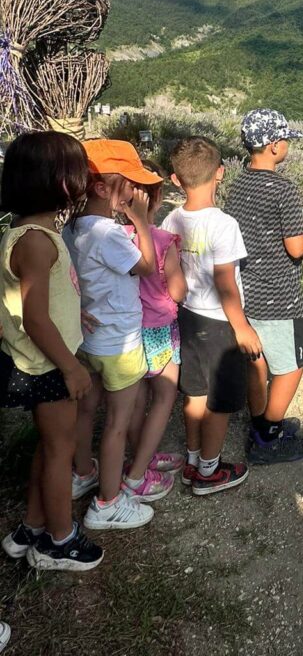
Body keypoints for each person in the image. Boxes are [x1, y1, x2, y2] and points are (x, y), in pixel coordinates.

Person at [0, 131, 103, 570]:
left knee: (50, 446)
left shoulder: (29, 232)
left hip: (41, 360)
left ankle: (32, 526)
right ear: (59, 182)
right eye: (78, 172)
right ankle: (58, 541)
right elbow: (36, 318)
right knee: (60, 452)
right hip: (48, 366)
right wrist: (71, 368)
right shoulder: (37, 242)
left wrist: (74, 313)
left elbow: (43, 302)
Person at [224, 109, 303, 464]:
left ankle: (261, 423)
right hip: (281, 297)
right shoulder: (283, 189)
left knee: (256, 363)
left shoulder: (238, 184)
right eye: (286, 139)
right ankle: (267, 439)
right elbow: (296, 247)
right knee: (291, 366)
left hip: (248, 293)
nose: (288, 145)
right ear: (274, 146)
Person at [69, 139, 161, 530]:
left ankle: (82, 472)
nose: (137, 192)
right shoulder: (109, 233)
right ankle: (107, 502)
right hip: (119, 342)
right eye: (130, 184)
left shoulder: (73, 227)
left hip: (87, 339)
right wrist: (140, 221)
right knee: (117, 423)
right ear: (102, 187)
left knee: (86, 410)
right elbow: (146, 267)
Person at [161, 136, 260, 495]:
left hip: (186, 317)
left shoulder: (171, 219)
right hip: (219, 322)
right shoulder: (224, 224)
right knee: (219, 401)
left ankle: (192, 460)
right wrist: (242, 327)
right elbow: (225, 282)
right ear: (220, 172)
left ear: (176, 179)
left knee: (195, 393)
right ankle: (209, 470)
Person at [124, 160, 187, 494]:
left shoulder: (116, 237)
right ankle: (138, 475)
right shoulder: (162, 240)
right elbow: (177, 291)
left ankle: (143, 458)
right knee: (164, 396)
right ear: (158, 198)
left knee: (135, 402)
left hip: (127, 331)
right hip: (159, 329)